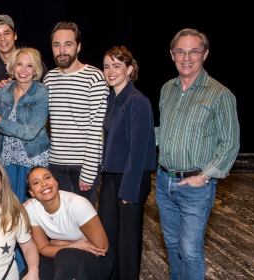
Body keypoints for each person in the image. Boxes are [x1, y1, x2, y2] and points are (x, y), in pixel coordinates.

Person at [155, 28, 239, 280]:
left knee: (190, 251)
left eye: (194, 51)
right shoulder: (167, 89)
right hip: (163, 182)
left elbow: (230, 144)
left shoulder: (220, 94)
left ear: (205, 54)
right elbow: (164, 130)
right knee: (171, 244)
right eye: (181, 51)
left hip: (195, 186)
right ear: (172, 55)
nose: (187, 57)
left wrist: (203, 177)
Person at [0, 47, 49, 273]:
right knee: (8, 214)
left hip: (31, 162)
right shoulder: (4, 90)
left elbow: (31, 131)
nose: (23, 70)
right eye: (19, 64)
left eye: (29, 65)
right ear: (12, 67)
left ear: (36, 70)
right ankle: (6, 266)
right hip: (6, 161)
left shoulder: (41, 93)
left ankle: (27, 269)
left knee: (28, 216)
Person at [98, 46, 155, 280]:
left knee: (128, 244)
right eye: (107, 66)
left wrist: (129, 190)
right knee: (110, 237)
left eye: (117, 65)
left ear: (129, 69)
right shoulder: (112, 98)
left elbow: (139, 149)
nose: (111, 71)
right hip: (111, 177)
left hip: (130, 178)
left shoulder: (137, 100)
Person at [44, 22, 108, 206]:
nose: (62, 50)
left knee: (83, 222)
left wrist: (88, 171)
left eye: (68, 44)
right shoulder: (50, 78)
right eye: (57, 45)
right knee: (61, 219)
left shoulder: (94, 78)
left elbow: (97, 128)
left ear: (78, 46)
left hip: (83, 165)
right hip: (56, 163)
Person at [24, 166, 114, 280]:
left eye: (47, 178)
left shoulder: (77, 204)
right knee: (30, 275)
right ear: (32, 192)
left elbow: (102, 247)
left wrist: (58, 243)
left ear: (56, 182)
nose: (44, 184)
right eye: (36, 182)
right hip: (63, 256)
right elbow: (43, 249)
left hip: (98, 259)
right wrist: (72, 245)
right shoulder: (31, 209)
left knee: (66, 258)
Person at [0, 15, 48, 90]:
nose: (2, 39)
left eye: (6, 33)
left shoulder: (33, 60)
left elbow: (48, 92)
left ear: (15, 35)